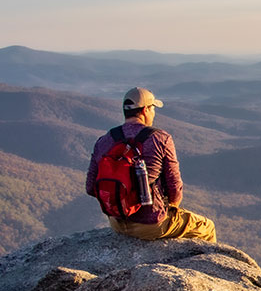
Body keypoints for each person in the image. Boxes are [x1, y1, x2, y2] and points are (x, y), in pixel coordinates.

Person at [86, 87, 216, 242]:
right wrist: (169, 210)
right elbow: (175, 190)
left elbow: (90, 188)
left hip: (117, 223)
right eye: (153, 108)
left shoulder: (104, 140)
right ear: (145, 110)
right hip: (152, 224)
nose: (153, 112)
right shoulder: (160, 138)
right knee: (207, 227)